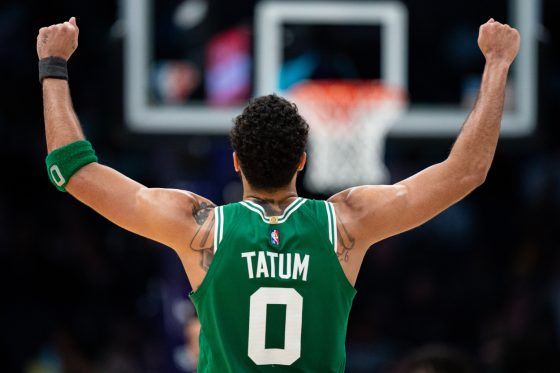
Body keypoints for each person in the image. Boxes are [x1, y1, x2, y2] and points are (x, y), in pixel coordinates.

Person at [37, 17, 520, 372]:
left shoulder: (198, 227)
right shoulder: (346, 224)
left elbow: (72, 171)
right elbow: (466, 172)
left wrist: (53, 65)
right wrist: (497, 63)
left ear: (235, 162)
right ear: (303, 161)